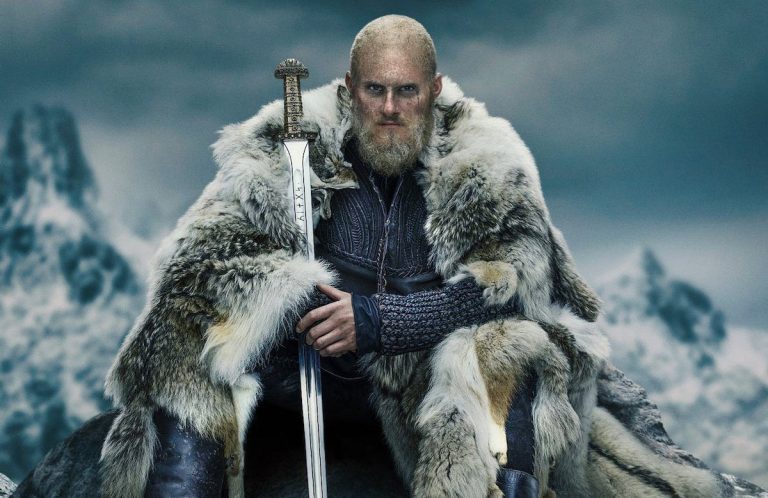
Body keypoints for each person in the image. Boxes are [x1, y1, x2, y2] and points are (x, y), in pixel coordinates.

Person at [99, 15, 603, 498]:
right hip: (306, 370)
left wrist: (380, 321)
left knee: (509, 348)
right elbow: (197, 268)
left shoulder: (485, 164)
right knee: (185, 331)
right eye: (375, 90)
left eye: (407, 90)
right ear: (349, 89)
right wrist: (289, 301)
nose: (390, 108)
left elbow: (514, 290)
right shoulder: (284, 152)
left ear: (434, 89)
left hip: (425, 376)